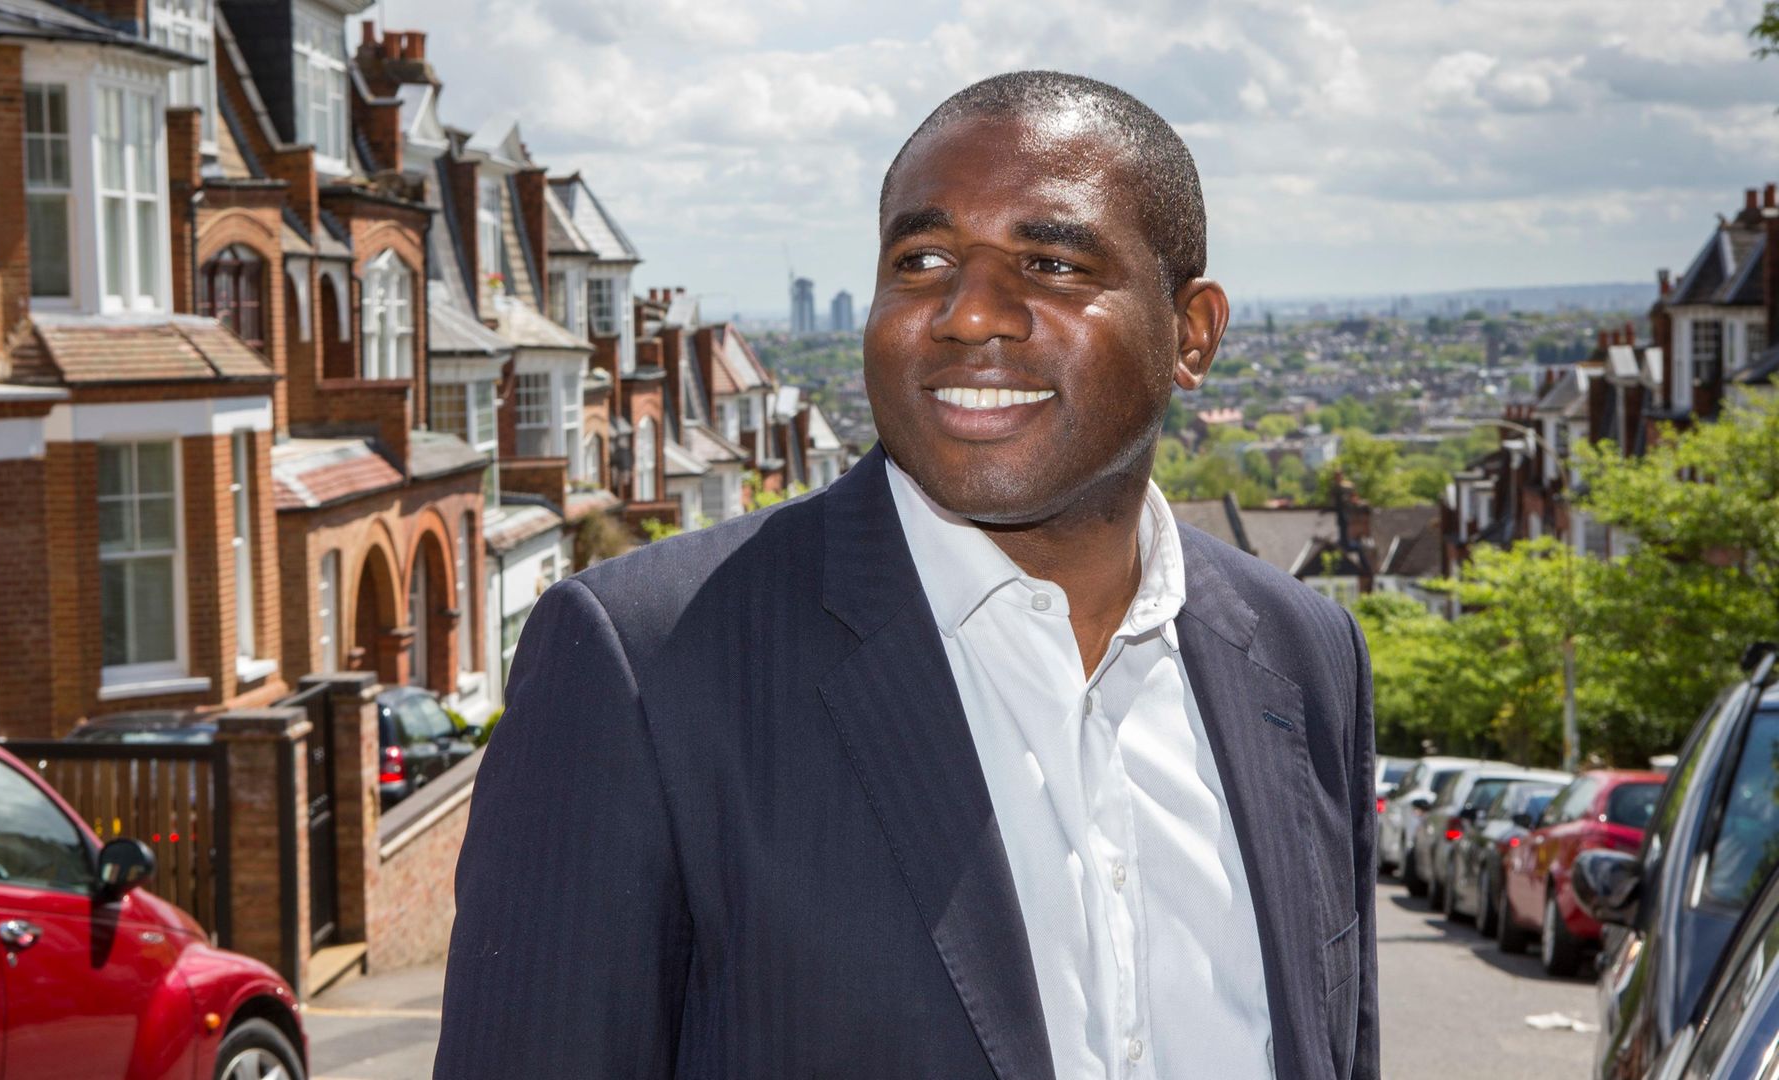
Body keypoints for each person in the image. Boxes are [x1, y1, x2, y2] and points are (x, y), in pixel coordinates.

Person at [436, 70, 1377, 1080]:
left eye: (1051, 261)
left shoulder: (1304, 655)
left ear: (1191, 334)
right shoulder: (644, 668)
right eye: (922, 259)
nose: (969, 313)